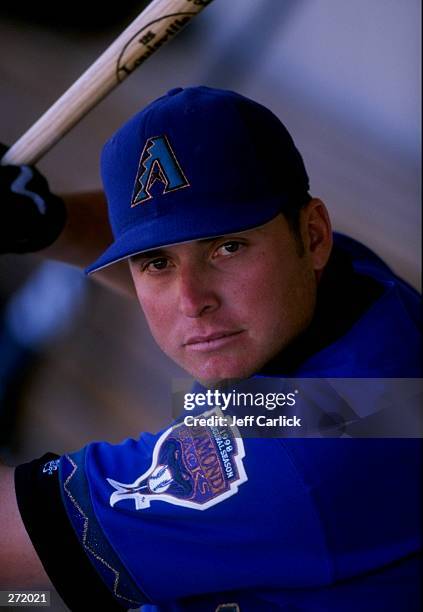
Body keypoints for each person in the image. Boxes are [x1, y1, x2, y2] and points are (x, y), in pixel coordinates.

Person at [0, 86, 421, 611]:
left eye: (227, 247)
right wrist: (46, 222)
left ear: (313, 235)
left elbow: (9, 542)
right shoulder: (355, 291)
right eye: (156, 262)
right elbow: (178, 227)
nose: (192, 301)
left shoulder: (289, 464)